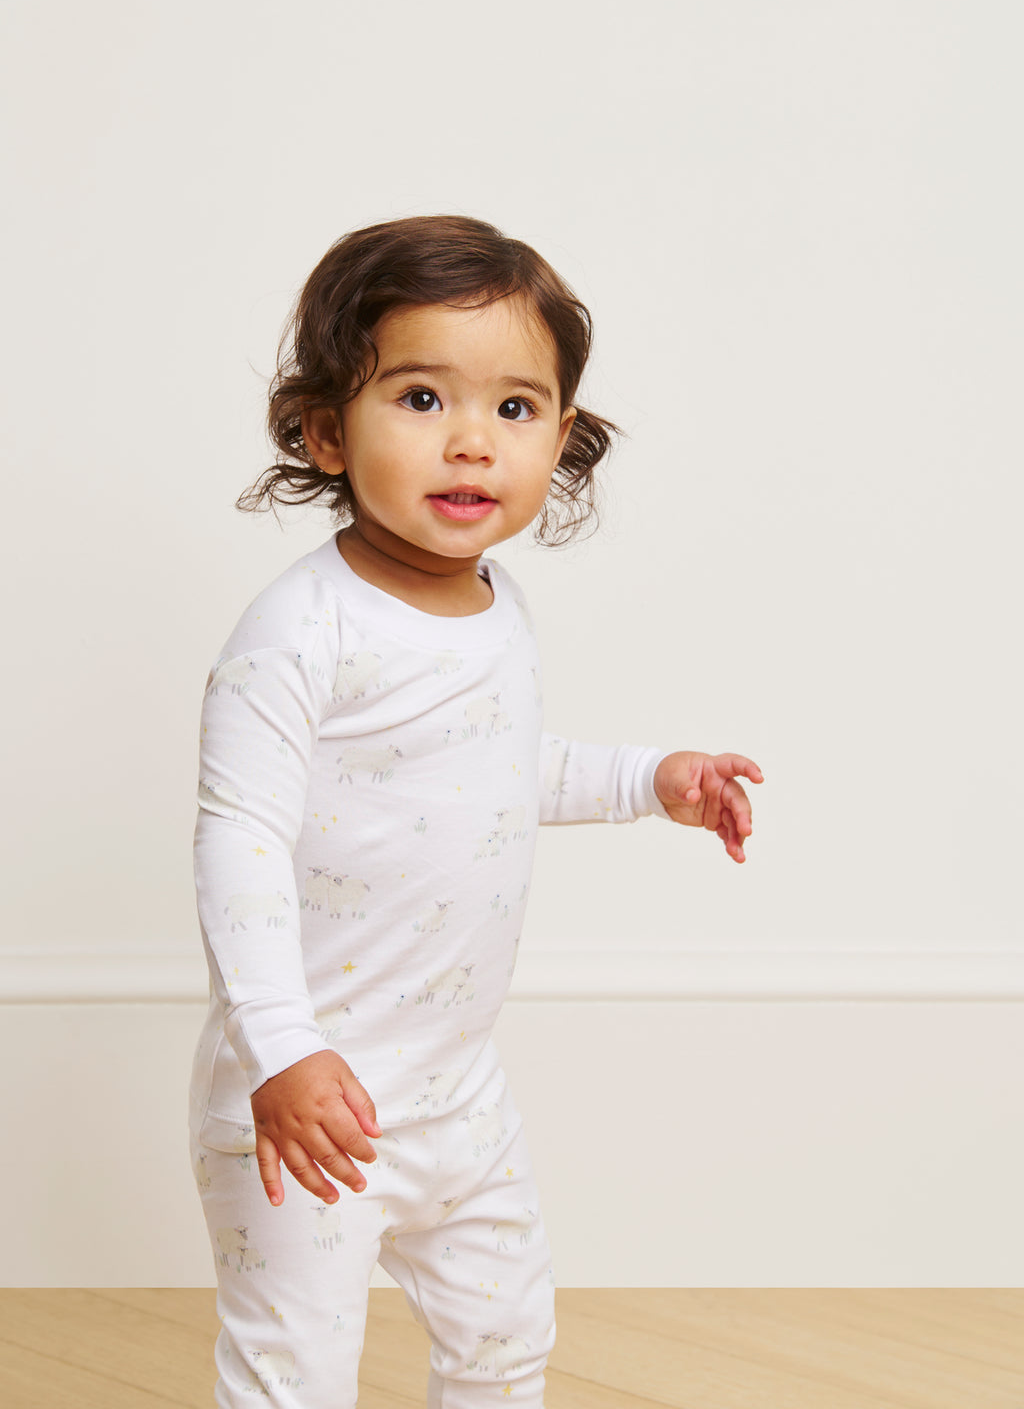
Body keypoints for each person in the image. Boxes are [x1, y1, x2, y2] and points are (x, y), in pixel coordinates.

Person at [189, 214, 762, 1407]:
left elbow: (488, 773)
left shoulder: (495, 608)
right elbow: (236, 842)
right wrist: (283, 1051)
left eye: (513, 409)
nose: (469, 443)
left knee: (506, 1340)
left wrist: (649, 779)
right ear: (324, 430)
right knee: (293, 1373)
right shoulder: (298, 634)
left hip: (457, 1092)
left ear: (563, 435)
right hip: (312, 1100)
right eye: (417, 398)